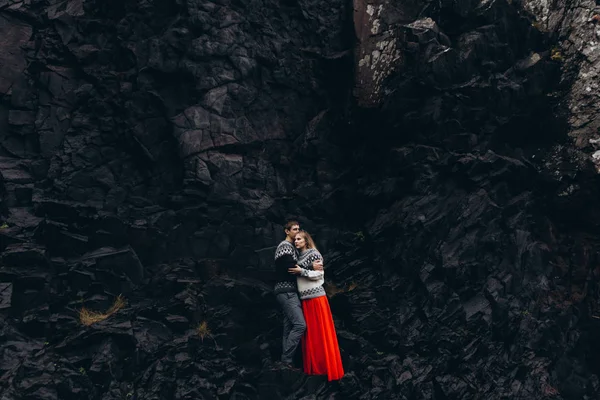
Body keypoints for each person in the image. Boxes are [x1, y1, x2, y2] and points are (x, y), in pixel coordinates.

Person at [289, 231, 344, 381]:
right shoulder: (297, 257)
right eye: (295, 240)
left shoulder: (314, 254)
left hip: (317, 298)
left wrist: (303, 271)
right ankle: (316, 369)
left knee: (321, 333)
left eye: (299, 239)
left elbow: (319, 275)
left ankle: (327, 368)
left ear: (306, 241)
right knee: (312, 335)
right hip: (305, 299)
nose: (296, 241)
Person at [274, 220, 323, 367]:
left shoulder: (292, 248)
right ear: (287, 231)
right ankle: (286, 359)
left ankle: (286, 362)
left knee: (288, 327)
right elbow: (290, 267)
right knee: (300, 325)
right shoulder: (285, 246)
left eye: (299, 229)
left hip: (288, 291)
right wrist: (310, 266)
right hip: (286, 290)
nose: (297, 231)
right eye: (294, 229)